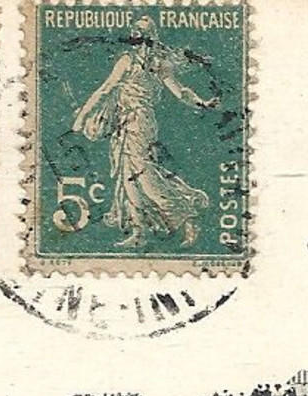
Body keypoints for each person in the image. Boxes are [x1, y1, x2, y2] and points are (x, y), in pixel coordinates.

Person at [72, 17, 218, 248]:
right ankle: (139, 232)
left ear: (149, 35)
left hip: (138, 123)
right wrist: (83, 117)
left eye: (139, 30)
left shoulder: (150, 63)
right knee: (128, 178)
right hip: (125, 122)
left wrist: (202, 103)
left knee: (145, 176)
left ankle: (187, 217)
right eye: (134, 29)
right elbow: (106, 90)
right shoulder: (132, 61)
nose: (135, 33)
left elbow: (179, 92)